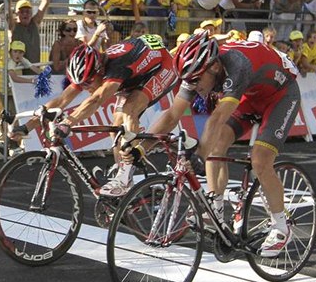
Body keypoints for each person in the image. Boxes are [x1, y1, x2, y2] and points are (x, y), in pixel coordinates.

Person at [128, 32, 301, 257]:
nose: (193, 86)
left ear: (215, 68)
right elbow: (172, 115)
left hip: (281, 96)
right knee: (217, 146)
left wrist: (199, 155)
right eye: (188, 81)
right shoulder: (196, 71)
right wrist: (142, 147)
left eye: (197, 81)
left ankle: (281, 226)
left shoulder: (238, 65)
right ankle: (215, 208)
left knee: (260, 160)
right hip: (250, 96)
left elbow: (218, 118)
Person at [9, 34, 179, 197]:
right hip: (135, 74)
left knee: (130, 109)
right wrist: (27, 126)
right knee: (117, 126)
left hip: (161, 66)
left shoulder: (117, 67)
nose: (86, 87)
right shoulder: (89, 71)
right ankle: (121, 171)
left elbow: (96, 100)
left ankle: (125, 176)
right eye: (81, 84)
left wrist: (68, 121)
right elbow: (61, 100)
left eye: (89, 82)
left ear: (100, 71)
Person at [7, 0, 54, 64]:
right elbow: (8, 8)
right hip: (18, 72)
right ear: (17, 13)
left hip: (34, 71)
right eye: (22, 11)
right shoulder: (13, 26)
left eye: (28, 11)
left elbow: (44, 3)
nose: (25, 14)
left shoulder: (34, 23)